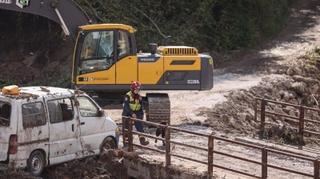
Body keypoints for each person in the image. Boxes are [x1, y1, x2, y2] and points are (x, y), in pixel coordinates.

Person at [122, 81, 149, 146]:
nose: (137, 91)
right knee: (127, 129)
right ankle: (126, 143)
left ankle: (142, 141)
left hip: (136, 113)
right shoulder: (128, 95)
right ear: (133, 89)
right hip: (127, 113)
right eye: (136, 89)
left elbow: (140, 107)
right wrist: (132, 114)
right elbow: (126, 106)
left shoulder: (139, 97)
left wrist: (141, 116)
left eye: (138, 89)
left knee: (139, 126)